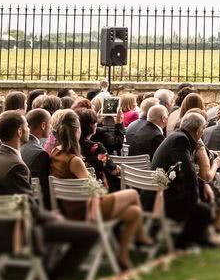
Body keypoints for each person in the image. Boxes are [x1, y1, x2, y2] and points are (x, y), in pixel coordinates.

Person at [0, 111, 101, 280]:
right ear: (19, 132)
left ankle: (44, 274)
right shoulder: (16, 165)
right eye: (26, 126)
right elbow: (29, 209)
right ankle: (52, 277)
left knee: (57, 222)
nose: (29, 129)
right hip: (15, 233)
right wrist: (52, 216)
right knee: (91, 233)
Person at [46, 110, 149, 267]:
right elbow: (92, 188)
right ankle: (140, 238)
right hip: (86, 210)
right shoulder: (75, 160)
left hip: (68, 208)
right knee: (133, 194)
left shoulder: (55, 152)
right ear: (77, 130)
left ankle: (123, 255)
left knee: (135, 212)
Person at [151, 111, 218, 249]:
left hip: (159, 191)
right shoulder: (181, 140)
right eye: (203, 129)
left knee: (204, 197)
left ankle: (202, 237)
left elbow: (186, 173)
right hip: (159, 198)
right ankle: (181, 244)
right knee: (203, 209)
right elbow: (188, 172)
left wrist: (203, 185)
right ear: (198, 131)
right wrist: (196, 198)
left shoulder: (178, 136)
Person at [20, 107, 53, 206]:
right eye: (50, 124)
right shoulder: (41, 154)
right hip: (34, 205)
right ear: (43, 125)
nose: (51, 127)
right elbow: (45, 190)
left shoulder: (18, 145)